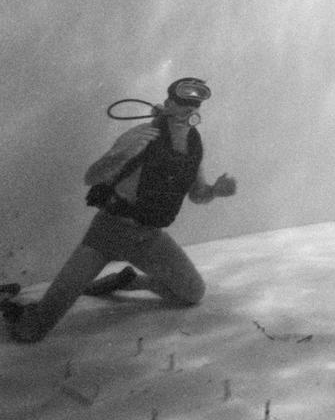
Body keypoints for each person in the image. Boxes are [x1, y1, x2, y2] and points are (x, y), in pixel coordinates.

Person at [1, 78, 236, 343]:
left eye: (194, 108)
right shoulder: (139, 136)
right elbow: (91, 177)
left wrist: (215, 190)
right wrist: (119, 154)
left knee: (193, 293)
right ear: (169, 104)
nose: (188, 113)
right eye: (182, 106)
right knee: (32, 331)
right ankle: (10, 305)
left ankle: (126, 282)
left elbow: (197, 194)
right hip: (107, 233)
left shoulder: (193, 146)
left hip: (149, 236)